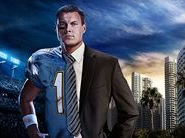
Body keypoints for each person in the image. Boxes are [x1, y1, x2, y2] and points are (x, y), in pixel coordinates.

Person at [19, 4, 139, 138]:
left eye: (73, 24)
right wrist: (33, 131)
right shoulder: (44, 60)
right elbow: (25, 98)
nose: (68, 29)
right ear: (57, 30)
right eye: (62, 25)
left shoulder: (107, 64)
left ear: (84, 28)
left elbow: (130, 113)